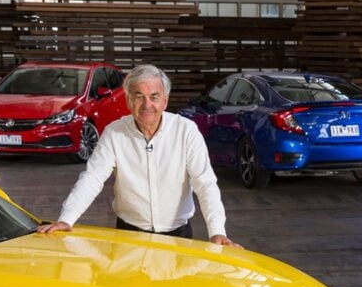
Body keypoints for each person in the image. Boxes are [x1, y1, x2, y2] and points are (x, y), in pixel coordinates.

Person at [37, 64, 239, 247]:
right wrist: (67, 218)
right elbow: (93, 177)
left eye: (154, 96)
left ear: (165, 101)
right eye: (139, 96)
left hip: (178, 236)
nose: (146, 105)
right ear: (128, 100)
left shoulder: (186, 131)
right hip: (129, 235)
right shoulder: (114, 132)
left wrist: (217, 232)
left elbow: (205, 183)